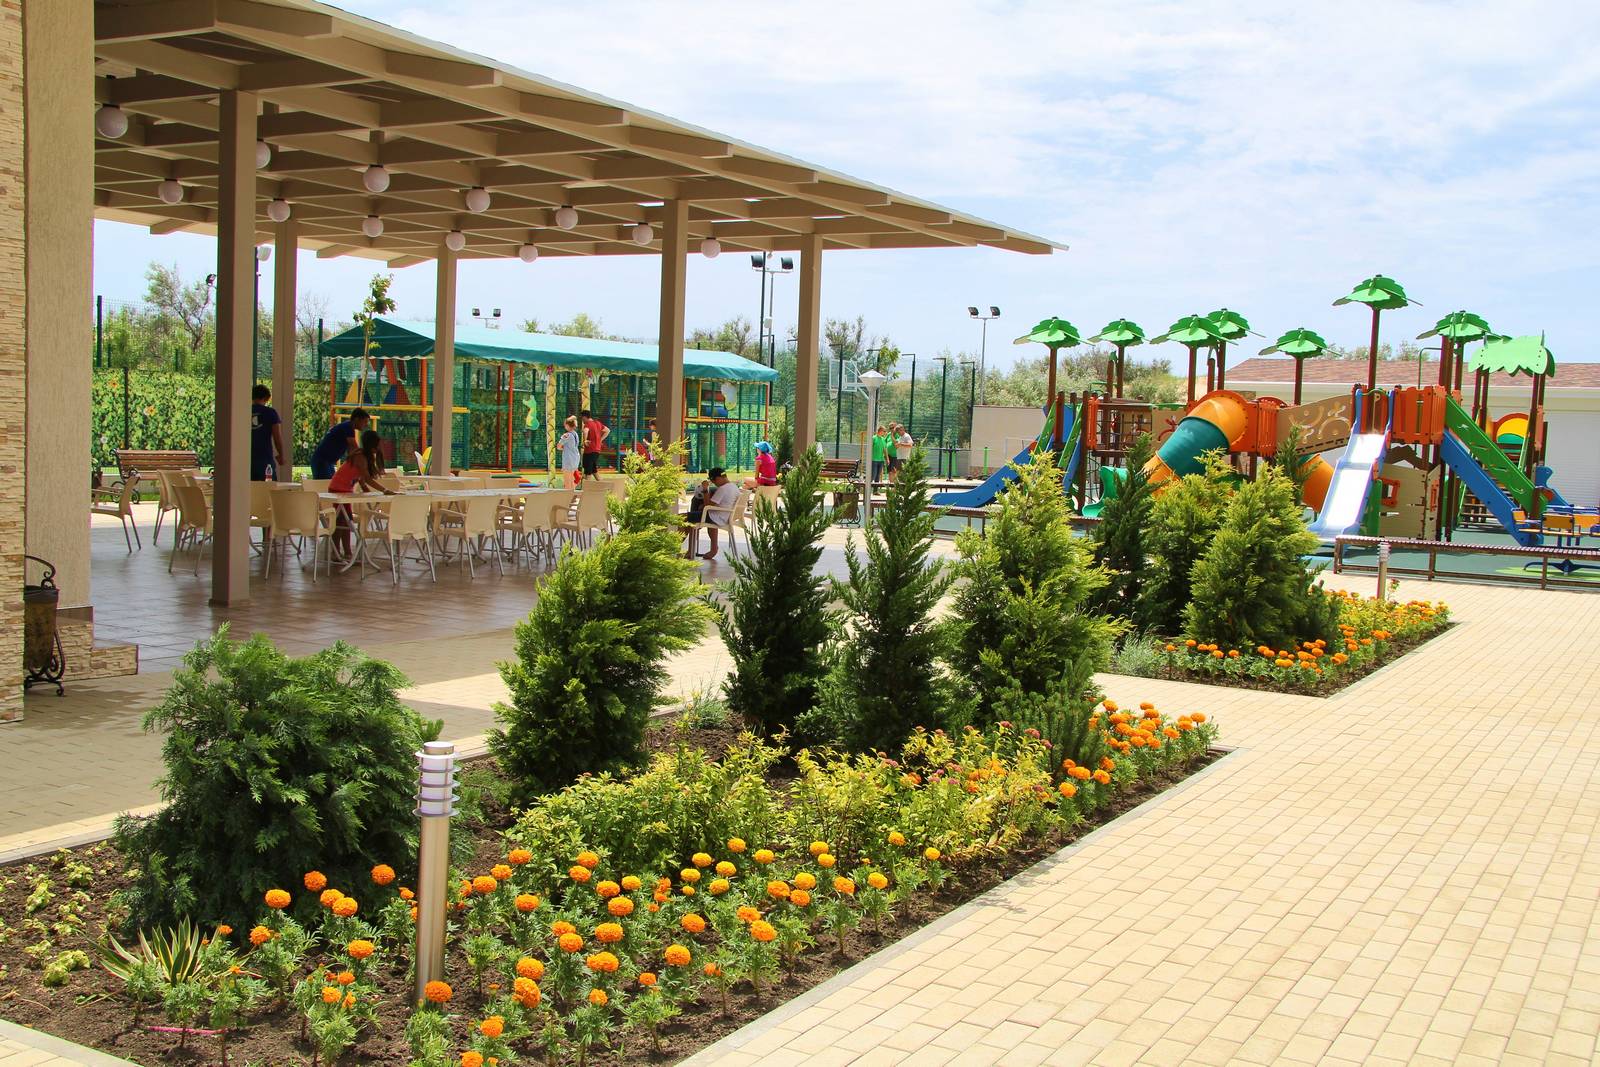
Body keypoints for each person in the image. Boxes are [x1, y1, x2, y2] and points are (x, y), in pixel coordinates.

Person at [328, 429, 394, 558]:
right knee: (342, 520)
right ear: (373, 445)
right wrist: (384, 490)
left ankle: (346, 552)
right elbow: (367, 478)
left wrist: (367, 493)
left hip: (345, 490)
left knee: (345, 520)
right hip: (338, 489)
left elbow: (361, 479)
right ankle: (337, 552)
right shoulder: (360, 457)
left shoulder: (364, 456)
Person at [688, 467, 740, 560]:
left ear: (718, 478)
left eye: (713, 481)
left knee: (684, 518)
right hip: (723, 515)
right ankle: (713, 549)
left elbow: (707, 505)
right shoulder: (733, 486)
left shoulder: (723, 489)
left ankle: (686, 550)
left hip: (716, 517)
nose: (714, 484)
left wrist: (705, 489)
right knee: (693, 516)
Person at [311, 407, 370, 480]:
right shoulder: (348, 427)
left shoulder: (347, 427)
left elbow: (351, 453)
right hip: (322, 461)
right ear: (357, 419)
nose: (366, 425)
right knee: (324, 484)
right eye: (365, 422)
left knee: (330, 483)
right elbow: (355, 448)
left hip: (327, 462)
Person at [250, 384, 286, 482]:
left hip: (246, 459)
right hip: (265, 459)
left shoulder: (244, 412)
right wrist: (281, 455)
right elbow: (277, 437)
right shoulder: (270, 413)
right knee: (268, 488)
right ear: (266, 398)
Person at [580, 408, 608, 480]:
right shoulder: (598, 423)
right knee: (593, 470)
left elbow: (585, 431)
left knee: (588, 471)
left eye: (582, 418)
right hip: (596, 450)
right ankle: (601, 484)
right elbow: (607, 430)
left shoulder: (587, 424)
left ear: (584, 417)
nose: (582, 421)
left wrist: (585, 440)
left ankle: (587, 486)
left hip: (590, 450)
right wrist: (600, 440)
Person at [558, 415, 583, 489]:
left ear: (567, 425)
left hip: (568, 459)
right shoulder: (575, 434)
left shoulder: (567, 435)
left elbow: (559, 446)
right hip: (575, 459)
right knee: (572, 481)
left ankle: (568, 495)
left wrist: (563, 448)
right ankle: (573, 494)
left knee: (567, 482)